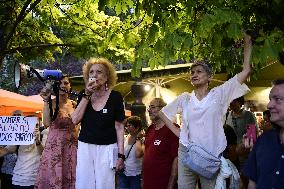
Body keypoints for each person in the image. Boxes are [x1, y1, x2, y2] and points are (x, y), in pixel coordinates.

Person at [158, 33, 252, 189]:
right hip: (187, 152)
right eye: (192, 72)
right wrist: (179, 133)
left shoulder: (219, 94)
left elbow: (246, 71)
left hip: (210, 155)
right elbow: (162, 113)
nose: (194, 75)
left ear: (209, 76)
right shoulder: (185, 98)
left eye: (199, 71)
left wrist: (248, 42)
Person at [71, 57, 125, 189]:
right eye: (91, 72)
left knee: (105, 185)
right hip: (85, 146)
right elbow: (74, 120)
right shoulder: (84, 94)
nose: (94, 75)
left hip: (107, 147)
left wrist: (121, 155)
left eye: (99, 72)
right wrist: (87, 95)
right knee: (84, 184)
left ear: (107, 77)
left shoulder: (116, 97)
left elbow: (119, 127)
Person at [34, 76, 78, 189]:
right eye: (60, 83)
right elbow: (47, 123)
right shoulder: (51, 103)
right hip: (55, 149)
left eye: (66, 83)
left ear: (70, 86)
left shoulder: (74, 104)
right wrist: (45, 101)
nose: (63, 85)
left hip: (72, 148)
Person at [244, 79, 284, 189]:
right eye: (270, 99)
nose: (269, 105)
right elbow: (252, 183)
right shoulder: (263, 140)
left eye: (278, 99)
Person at [143, 98, 179, 189]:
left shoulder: (173, 129)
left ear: (163, 109)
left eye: (152, 107)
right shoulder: (150, 129)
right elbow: (146, 155)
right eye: (149, 107)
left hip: (164, 183)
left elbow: (177, 159)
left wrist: (171, 185)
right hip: (148, 183)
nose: (149, 110)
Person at [0, 112, 43, 189]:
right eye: (32, 125)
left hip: (37, 180)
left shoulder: (44, 135)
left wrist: (37, 141)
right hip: (18, 180)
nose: (35, 127)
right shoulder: (19, 138)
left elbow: (44, 154)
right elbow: (5, 151)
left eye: (36, 125)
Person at [226, 96, 257, 188]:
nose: (231, 102)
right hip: (231, 156)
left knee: (245, 182)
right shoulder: (227, 115)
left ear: (240, 102)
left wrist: (242, 147)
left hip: (245, 155)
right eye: (230, 100)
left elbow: (252, 137)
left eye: (234, 100)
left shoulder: (248, 115)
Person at [118, 116, 144, 189]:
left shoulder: (143, 140)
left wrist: (138, 139)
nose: (127, 127)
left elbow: (138, 154)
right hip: (123, 173)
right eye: (127, 125)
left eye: (130, 125)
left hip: (136, 175)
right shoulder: (125, 137)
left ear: (137, 127)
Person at [0, 111, 20, 189]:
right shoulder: (4, 131)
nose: (16, 117)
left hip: (21, 172)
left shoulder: (29, 134)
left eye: (19, 115)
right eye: (14, 115)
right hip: (6, 169)